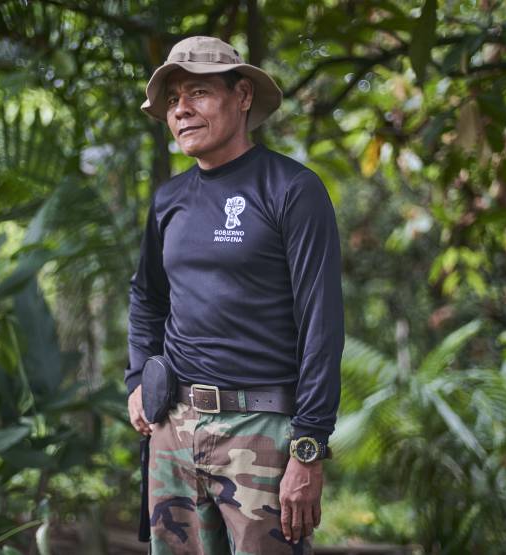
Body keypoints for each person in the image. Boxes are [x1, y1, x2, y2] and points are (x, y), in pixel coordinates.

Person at [125, 35, 344, 555]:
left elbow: (322, 324)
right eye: (173, 99)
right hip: (173, 431)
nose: (181, 110)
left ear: (243, 96)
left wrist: (308, 449)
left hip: (261, 433)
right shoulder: (168, 201)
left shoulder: (291, 190)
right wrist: (138, 378)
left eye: (197, 92)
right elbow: (146, 298)